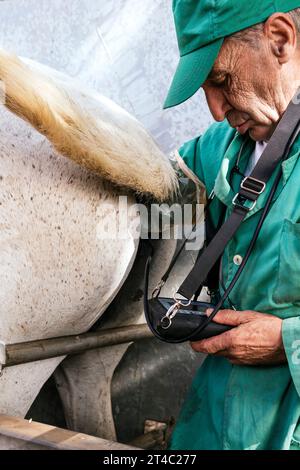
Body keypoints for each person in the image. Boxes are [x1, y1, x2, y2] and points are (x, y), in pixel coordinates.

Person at [163, 0, 300, 450]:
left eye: (221, 81)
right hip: (210, 428)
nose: (216, 110)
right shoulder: (218, 146)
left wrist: (287, 340)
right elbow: (156, 201)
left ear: (279, 39)